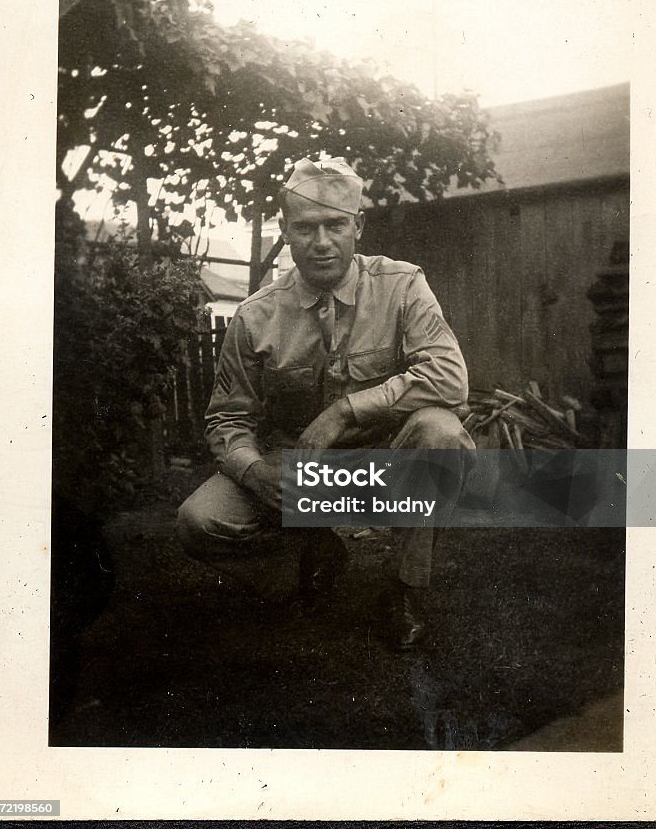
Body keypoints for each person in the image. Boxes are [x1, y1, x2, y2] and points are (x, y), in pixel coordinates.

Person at [177, 157, 475, 649]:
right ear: (286, 231)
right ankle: (306, 557)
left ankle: (404, 591)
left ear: (358, 226)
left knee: (440, 434)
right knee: (199, 521)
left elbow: (448, 377)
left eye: (335, 225)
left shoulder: (402, 286)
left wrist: (344, 411)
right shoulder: (255, 317)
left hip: (383, 462)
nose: (321, 242)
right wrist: (253, 471)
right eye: (306, 228)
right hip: (299, 470)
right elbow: (229, 416)